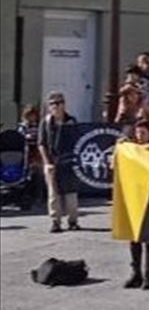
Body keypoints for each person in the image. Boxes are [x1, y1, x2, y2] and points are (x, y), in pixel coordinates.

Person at [123, 120, 149, 290]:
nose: (140, 136)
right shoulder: (131, 150)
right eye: (137, 133)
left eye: (143, 133)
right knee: (134, 237)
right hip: (134, 196)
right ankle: (136, 272)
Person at [37, 91, 80, 232]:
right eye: (52, 104)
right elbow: (41, 143)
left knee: (70, 192)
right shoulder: (46, 122)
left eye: (58, 103)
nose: (55, 106)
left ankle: (73, 220)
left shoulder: (71, 121)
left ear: (63, 104)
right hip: (52, 160)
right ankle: (55, 221)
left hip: (68, 161)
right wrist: (47, 162)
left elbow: (77, 140)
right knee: (53, 192)